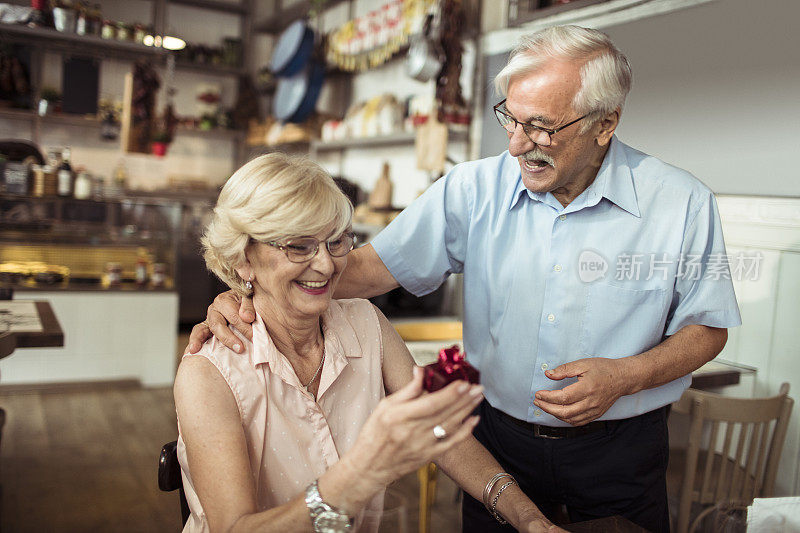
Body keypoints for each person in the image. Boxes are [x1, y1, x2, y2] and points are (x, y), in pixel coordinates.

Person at [189, 26, 741, 532]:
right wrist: (246, 289)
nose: (518, 144)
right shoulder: (472, 190)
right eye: (511, 118)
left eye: (542, 127)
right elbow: (355, 269)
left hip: (622, 448)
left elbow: (709, 328)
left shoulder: (681, 204)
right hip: (497, 441)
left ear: (607, 122)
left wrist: (627, 375)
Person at [175, 153, 560, 533]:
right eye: (299, 246)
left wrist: (523, 513)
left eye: (336, 241)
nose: (326, 265)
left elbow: (440, 431)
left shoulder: (365, 323)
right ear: (243, 259)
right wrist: (360, 473)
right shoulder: (208, 373)